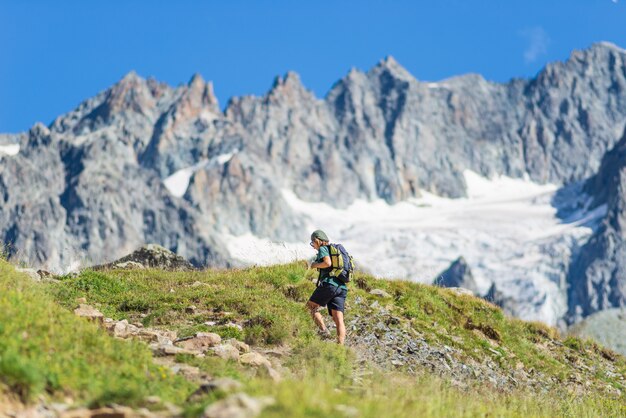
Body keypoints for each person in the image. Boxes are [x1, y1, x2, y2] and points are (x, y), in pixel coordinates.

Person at [305, 230, 347, 345]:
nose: (313, 246)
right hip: (342, 287)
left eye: (313, 243)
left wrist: (314, 265)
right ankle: (340, 347)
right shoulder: (335, 250)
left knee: (310, 307)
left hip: (329, 284)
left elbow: (327, 263)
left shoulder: (324, 248)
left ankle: (324, 331)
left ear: (317, 240)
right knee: (339, 319)